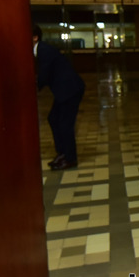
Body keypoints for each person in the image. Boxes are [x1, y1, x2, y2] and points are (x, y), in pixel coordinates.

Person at [33, 25, 85, 170]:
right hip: (64, 91)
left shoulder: (43, 50)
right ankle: (62, 152)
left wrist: (34, 88)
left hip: (70, 90)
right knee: (53, 119)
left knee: (64, 124)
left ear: (35, 37)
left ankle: (70, 158)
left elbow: (43, 75)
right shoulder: (40, 50)